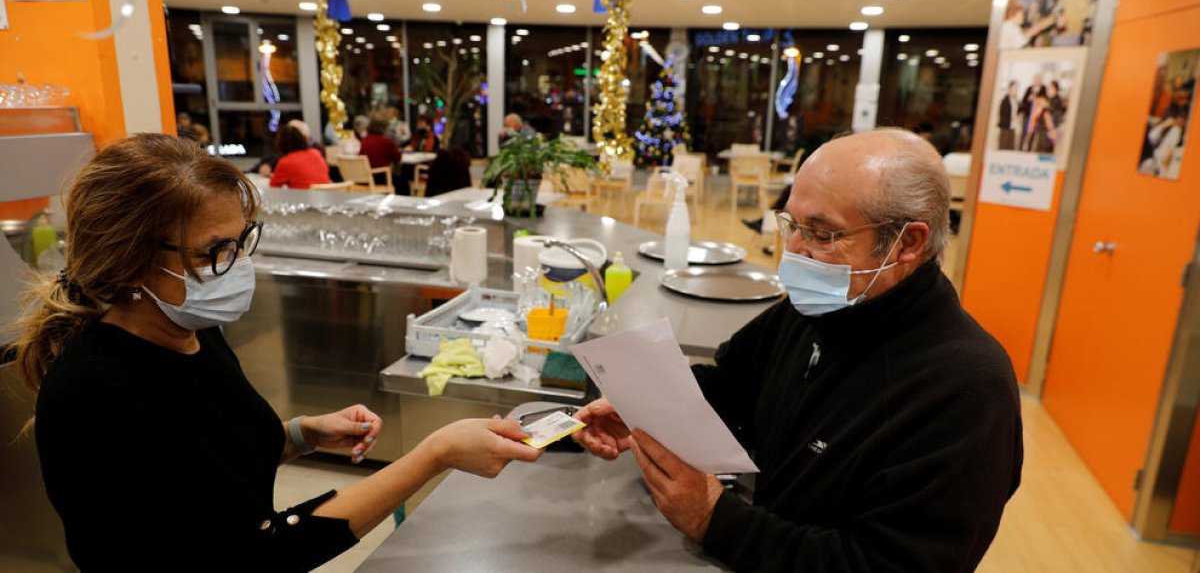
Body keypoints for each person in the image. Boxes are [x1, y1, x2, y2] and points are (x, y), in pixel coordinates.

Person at [13, 134, 543, 571]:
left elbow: (210, 465)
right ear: (127, 259)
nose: (238, 264)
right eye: (214, 251)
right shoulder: (96, 392)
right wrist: (434, 454)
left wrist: (299, 435)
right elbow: (261, 550)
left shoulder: (189, 328)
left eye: (242, 241)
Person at [574, 128, 1023, 572]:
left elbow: (884, 562)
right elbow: (733, 385)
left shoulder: (966, 390)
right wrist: (648, 408)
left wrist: (715, 519)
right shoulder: (822, 309)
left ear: (907, 242)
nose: (793, 252)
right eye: (791, 223)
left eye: (823, 235)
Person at [997, 80, 1021, 150]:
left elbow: (1018, 111)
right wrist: (1011, 118)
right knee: (1003, 146)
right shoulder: (1004, 100)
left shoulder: (1017, 101)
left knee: (1011, 147)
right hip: (1005, 127)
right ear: (1010, 89)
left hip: (1013, 127)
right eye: (1015, 88)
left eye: (1017, 88)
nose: (1016, 90)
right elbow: (1002, 114)